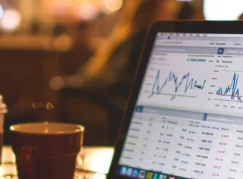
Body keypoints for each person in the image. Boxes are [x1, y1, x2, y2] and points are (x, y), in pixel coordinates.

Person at [58, 1, 202, 143]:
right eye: (170, 13)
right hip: (113, 115)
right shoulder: (146, 42)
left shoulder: (123, 38)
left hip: (92, 109)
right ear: (160, 12)